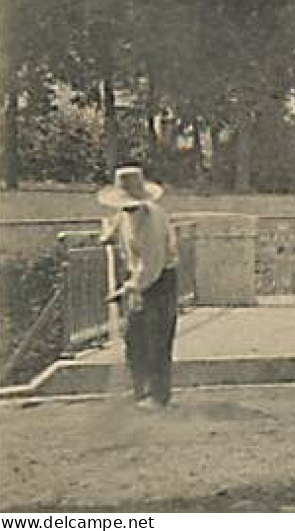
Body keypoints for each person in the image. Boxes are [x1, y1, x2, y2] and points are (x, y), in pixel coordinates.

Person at [98, 166, 180, 408]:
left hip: (160, 280)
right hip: (141, 277)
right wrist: (109, 234)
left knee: (157, 338)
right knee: (134, 337)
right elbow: (119, 222)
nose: (128, 207)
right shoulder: (127, 213)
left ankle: (158, 396)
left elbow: (151, 266)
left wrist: (127, 289)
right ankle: (140, 391)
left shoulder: (151, 222)